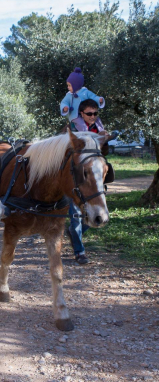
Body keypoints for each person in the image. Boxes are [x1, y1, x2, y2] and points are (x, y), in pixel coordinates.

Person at [67, 99, 108, 264]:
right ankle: (79, 252)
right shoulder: (72, 127)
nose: (93, 116)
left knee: (91, 216)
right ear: (81, 113)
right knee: (76, 215)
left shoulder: (99, 127)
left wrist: (105, 139)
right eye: (89, 113)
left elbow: (103, 151)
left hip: (93, 177)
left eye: (95, 113)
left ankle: (73, 232)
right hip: (76, 177)